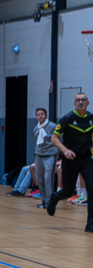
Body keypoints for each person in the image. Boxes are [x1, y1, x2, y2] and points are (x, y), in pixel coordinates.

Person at [45, 93, 93, 231]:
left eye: (83, 99)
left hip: (85, 158)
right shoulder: (67, 118)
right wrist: (65, 150)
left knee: (92, 188)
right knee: (67, 191)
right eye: (78, 100)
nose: (81, 102)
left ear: (88, 102)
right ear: (74, 103)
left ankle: (90, 223)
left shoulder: (91, 118)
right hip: (70, 158)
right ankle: (54, 198)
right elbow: (54, 138)